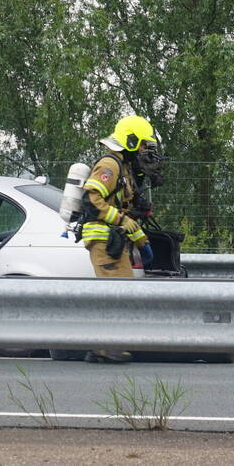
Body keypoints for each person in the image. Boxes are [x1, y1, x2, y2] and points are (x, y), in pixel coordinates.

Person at [79, 114, 160, 363]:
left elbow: (125, 215)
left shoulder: (124, 168)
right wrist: (124, 221)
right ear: (132, 141)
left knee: (120, 294)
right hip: (104, 242)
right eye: (144, 145)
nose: (146, 151)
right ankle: (107, 348)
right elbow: (92, 200)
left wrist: (141, 240)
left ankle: (105, 347)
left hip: (113, 241)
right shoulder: (110, 165)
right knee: (118, 295)